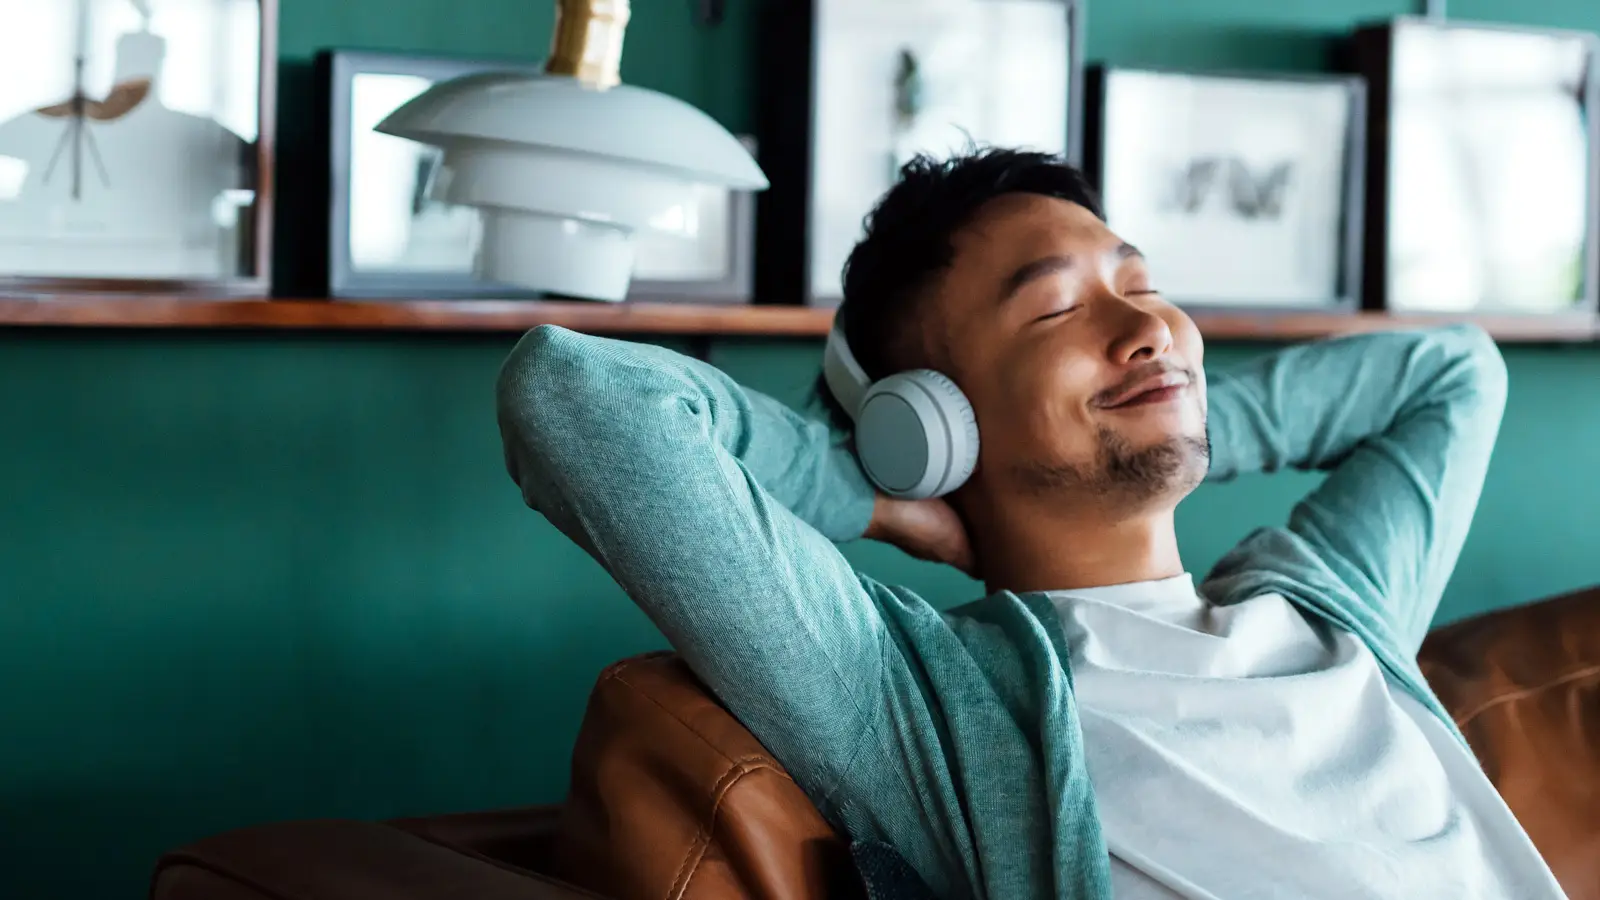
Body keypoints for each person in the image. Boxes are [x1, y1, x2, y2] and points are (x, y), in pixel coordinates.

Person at [495, 148, 1565, 899]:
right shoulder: (918, 697)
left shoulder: (1328, 602)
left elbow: (1451, 372)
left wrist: (1170, 406)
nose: (1146, 324)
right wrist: (869, 485)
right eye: (1057, 309)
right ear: (934, 424)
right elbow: (574, 397)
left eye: (1140, 287)